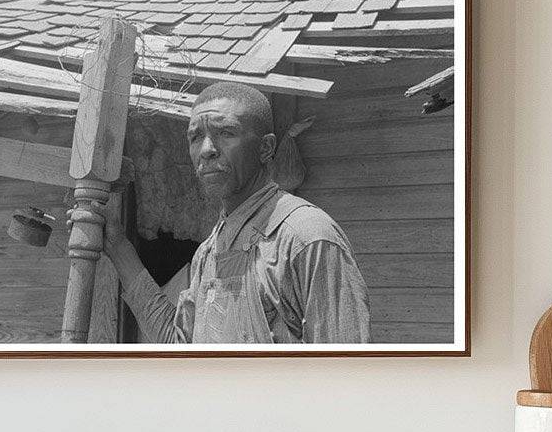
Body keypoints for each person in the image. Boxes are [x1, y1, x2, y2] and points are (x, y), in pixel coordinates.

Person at [100, 80, 371, 344]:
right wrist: (118, 247)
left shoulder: (305, 238)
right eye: (195, 137)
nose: (206, 150)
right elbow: (181, 346)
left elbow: (345, 374)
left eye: (226, 133)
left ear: (266, 147)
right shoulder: (209, 251)